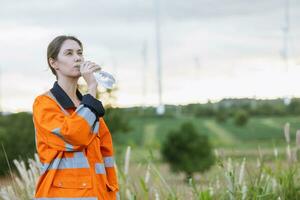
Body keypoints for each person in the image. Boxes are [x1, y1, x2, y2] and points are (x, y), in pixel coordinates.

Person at [32, 35, 119, 200]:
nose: (77, 58)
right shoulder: (44, 104)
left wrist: (111, 194)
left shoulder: (90, 108)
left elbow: (106, 157)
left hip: (97, 194)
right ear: (53, 63)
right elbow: (74, 136)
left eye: (80, 53)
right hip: (61, 195)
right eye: (69, 53)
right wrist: (92, 88)